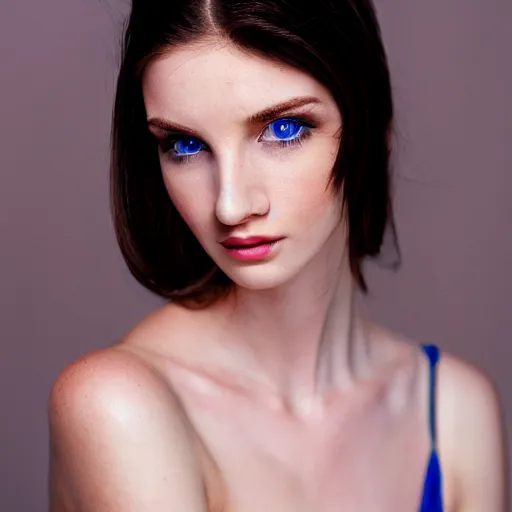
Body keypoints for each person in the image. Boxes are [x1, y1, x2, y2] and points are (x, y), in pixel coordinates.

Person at [48, 1, 508, 510]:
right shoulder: (118, 407)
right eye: (184, 145)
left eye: (283, 130)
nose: (230, 204)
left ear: (370, 131)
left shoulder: (453, 414)